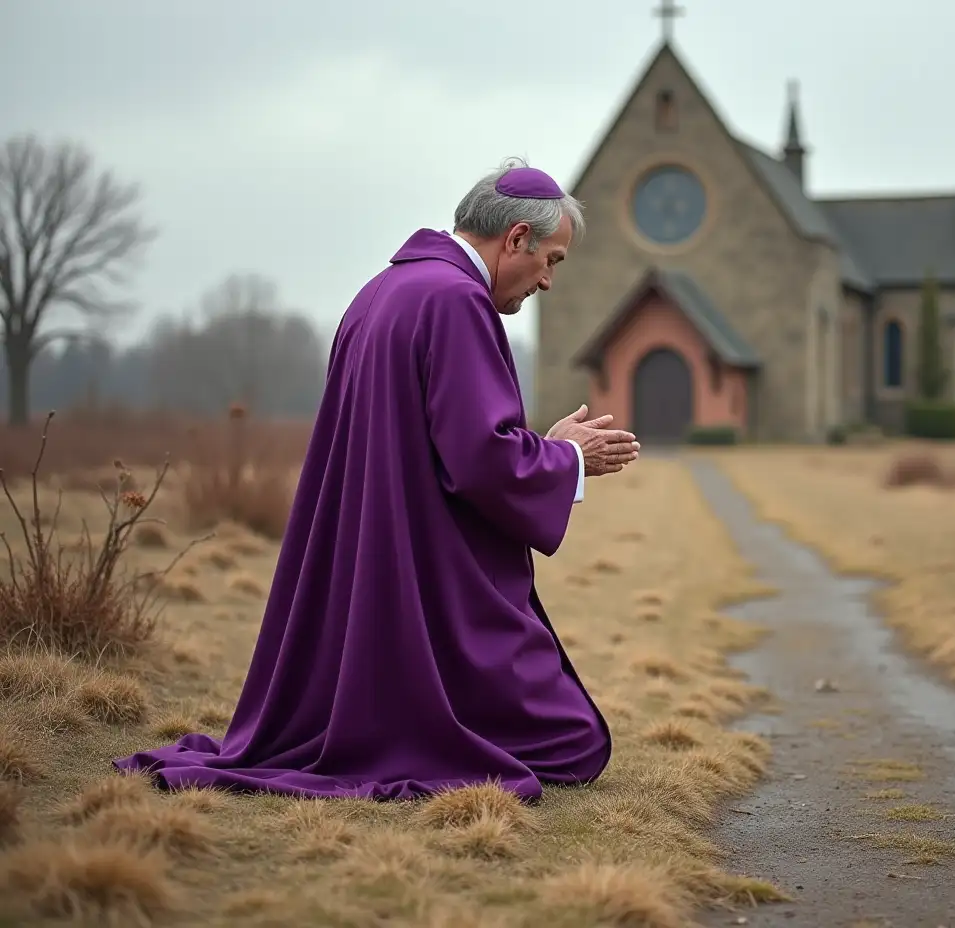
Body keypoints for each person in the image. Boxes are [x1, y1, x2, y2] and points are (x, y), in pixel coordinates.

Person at [115, 158, 639, 802]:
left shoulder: (383, 291)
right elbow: (479, 457)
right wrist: (567, 457)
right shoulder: (456, 302)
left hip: (378, 551)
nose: (549, 282)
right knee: (573, 743)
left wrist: (545, 450)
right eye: (552, 260)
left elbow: (434, 445)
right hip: (423, 571)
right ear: (517, 240)